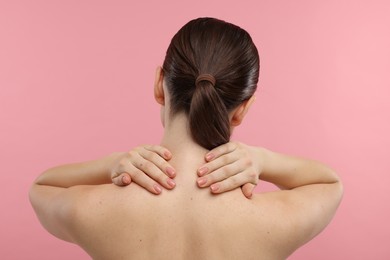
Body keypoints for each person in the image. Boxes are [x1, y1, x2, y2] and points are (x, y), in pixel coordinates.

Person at [29, 17, 343, 259]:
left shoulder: (96, 210)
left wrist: (113, 164)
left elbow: (42, 187)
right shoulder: (272, 219)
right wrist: (262, 159)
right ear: (242, 110)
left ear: (159, 84)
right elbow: (330, 184)